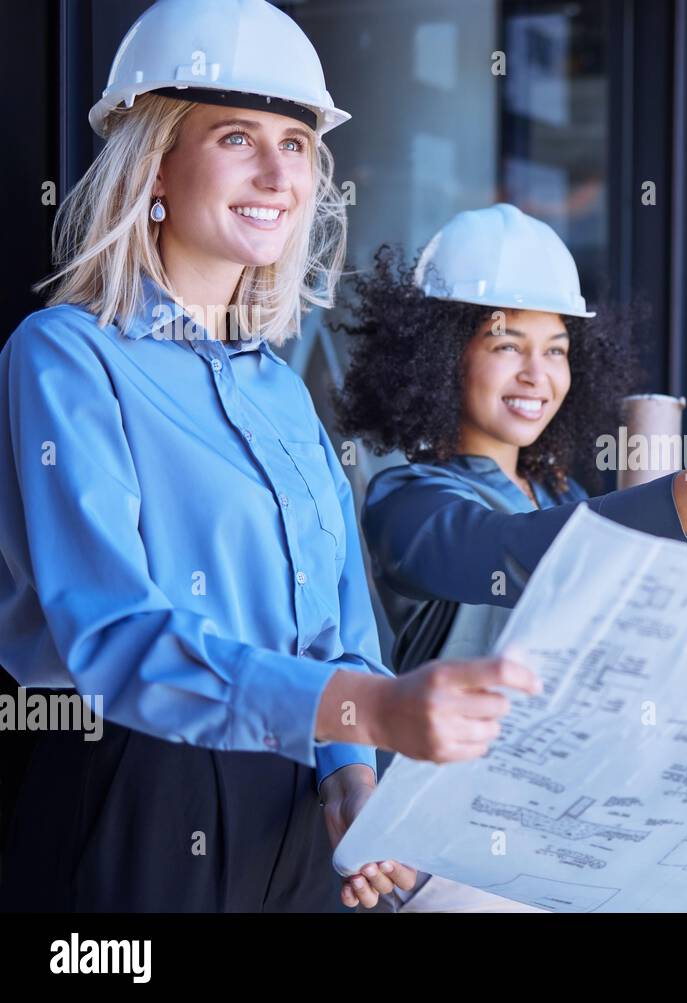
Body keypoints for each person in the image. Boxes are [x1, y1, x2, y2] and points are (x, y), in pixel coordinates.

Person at [0, 0, 538, 914]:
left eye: (295, 144)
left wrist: (349, 779)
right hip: (137, 803)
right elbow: (114, 636)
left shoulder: (281, 390)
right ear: (156, 162)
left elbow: (339, 624)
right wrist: (368, 706)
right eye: (237, 137)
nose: (275, 172)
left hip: (299, 812)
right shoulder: (65, 356)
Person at [334, 202, 687, 909]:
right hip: (450, 857)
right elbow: (514, 555)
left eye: (556, 348)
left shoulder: (563, 492)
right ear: (442, 353)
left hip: (564, 839)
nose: (537, 373)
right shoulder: (405, 499)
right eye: (506, 343)